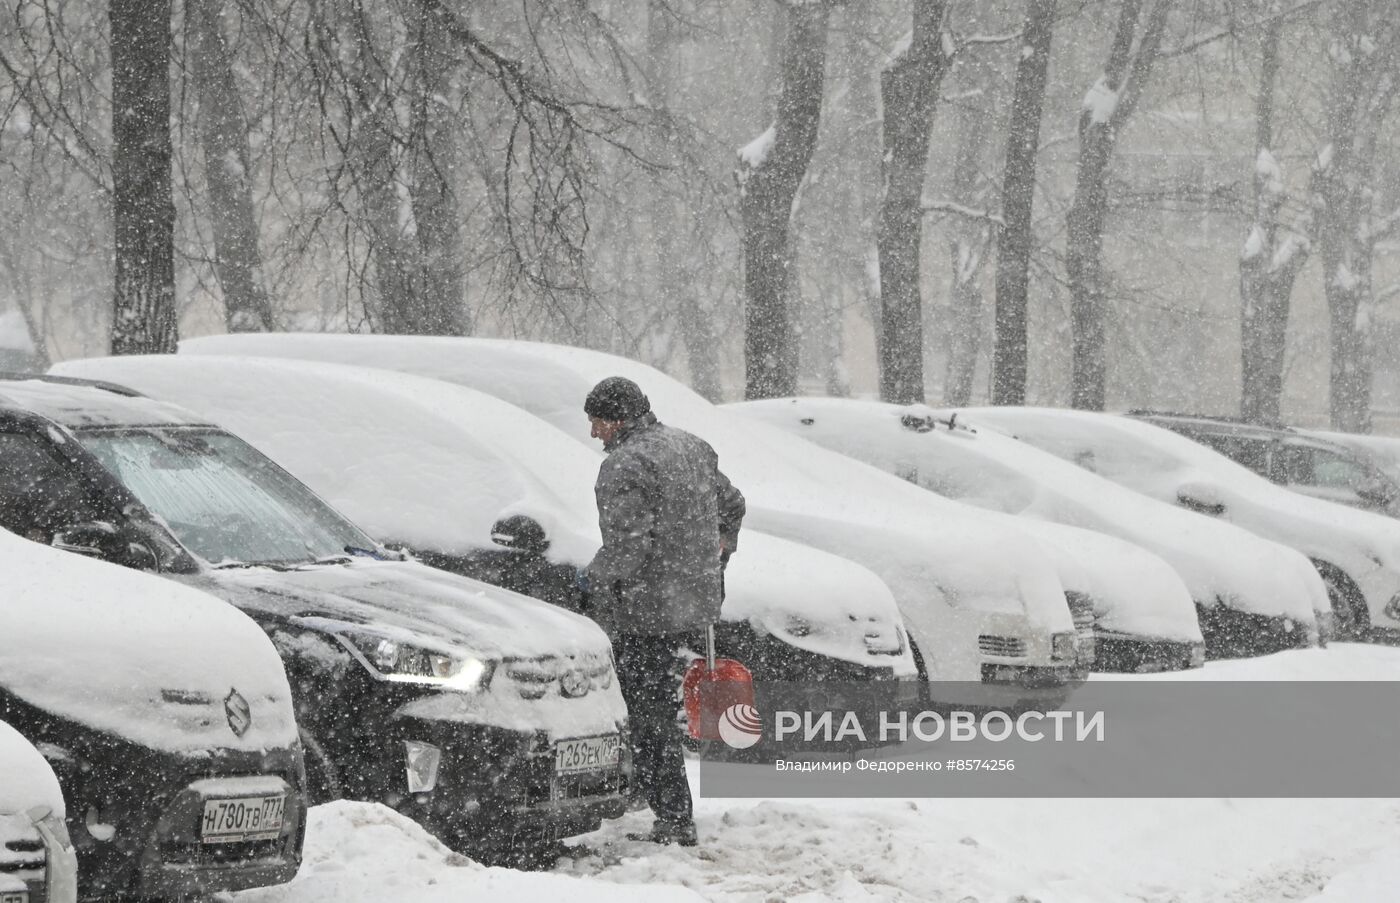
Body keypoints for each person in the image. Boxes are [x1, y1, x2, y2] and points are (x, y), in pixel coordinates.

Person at [580, 375, 744, 847]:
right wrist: (718, 553)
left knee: (645, 711)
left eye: (595, 423)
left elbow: (627, 546)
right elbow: (732, 504)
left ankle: (672, 815)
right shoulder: (692, 446)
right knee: (656, 705)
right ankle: (646, 791)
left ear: (616, 419)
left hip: (646, 608)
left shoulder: (624, 465)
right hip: (694, 601)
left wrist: (592, 588)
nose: (594, 434)